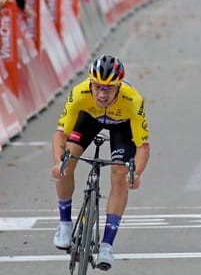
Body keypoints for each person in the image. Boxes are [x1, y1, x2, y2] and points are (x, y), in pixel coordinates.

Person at [51, 55, 150, 270]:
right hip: (89, 118)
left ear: (118, 87)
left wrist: (137, 173)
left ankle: (106, 246)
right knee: (66, 163)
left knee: (119, 175)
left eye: (108, 88)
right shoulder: (79, 93)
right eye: (97, 87)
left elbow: (143, 146)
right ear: (91, 84)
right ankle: (65, 224)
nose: (102, 93)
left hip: (121, 126)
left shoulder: (133, 100)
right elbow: (60, 133)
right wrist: (59, 161)